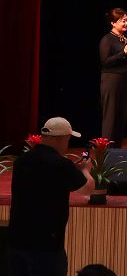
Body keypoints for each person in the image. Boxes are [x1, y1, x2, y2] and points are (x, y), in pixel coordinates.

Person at [7, 117, 93, 276]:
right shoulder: (60, 164)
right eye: (68, 140)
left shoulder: (22, 160)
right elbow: (87, 189)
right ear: (61, 139)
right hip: (47, 245)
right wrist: (85, 170)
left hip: (17, 241)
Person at [99, 7, 127, 146]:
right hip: (111, 80)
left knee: (122, 115)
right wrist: (124, 53)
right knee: (110, 116)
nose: (126, 23)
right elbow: (105, 61)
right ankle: (106, 150)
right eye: (123, 21)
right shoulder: (107, 39)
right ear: (113, 23)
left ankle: (117, 149)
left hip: (126, 79)